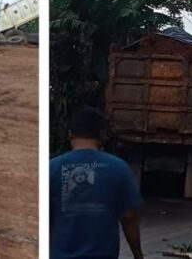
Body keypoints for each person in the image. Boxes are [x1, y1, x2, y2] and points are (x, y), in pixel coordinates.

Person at [50, 108, 143, 259]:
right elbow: (129, 216)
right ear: (101, 135)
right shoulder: (119, 168)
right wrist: (138, 256)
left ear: (69, 134)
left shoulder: (52, 168)